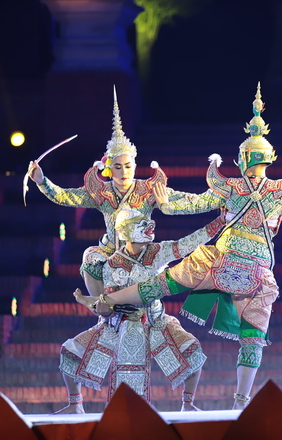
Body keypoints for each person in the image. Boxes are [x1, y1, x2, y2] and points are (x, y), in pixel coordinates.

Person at [74, 83, 282, 409]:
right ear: (268, 160)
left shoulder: (228, 188)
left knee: (161, 283)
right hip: (257, 273)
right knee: (253, 336)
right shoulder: (281, 192)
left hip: (219, 261)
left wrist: (166, 205)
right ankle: (240, 401)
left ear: (243, 159)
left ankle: (106, 300)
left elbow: (193, 204)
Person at [28, 88, 220, 299]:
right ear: (109, 169)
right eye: (117, 167)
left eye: (128, 166)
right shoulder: (102, 192)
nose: (123, 172)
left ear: (135, 166)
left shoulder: (148, 190)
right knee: (90, 257)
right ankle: (102, 308)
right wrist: (42, 181)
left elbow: (190, 201)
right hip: (111, 252)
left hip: (140, 253)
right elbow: (65, 196)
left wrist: (220, 198)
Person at [56, 203, 226, 414]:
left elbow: (188, 243)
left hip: (156, 323)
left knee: (193, 351)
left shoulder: (158, 251)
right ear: (127, 231)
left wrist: (219, 222)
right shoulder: (111, 265)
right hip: (117, 326)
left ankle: (188, 404)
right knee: (69, 353)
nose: (150, 227)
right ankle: (75, 405)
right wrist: (103, 310)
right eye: (142, 224)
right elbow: (108, 306)